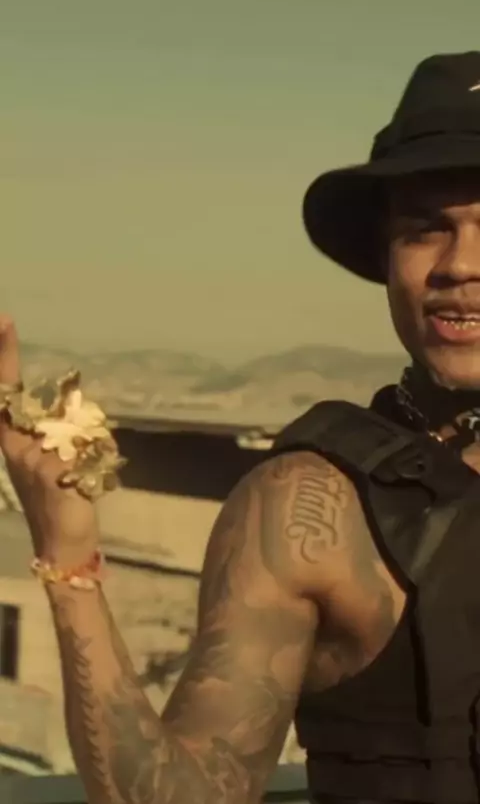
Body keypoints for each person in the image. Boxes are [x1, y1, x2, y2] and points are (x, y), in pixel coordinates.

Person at [4, 51, 480, 804]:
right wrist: (69, 564)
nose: (460, 264)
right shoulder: (310, 507)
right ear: (388, 257)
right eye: (426, 229)